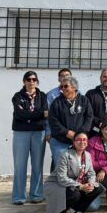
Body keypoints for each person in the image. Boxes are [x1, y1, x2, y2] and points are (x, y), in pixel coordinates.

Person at [44, 132, 103, 213]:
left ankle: (75, 209)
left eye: (84, 140)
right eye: (79, 139)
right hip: (58, 184)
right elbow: (62, 178)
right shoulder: (65, 155)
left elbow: (91, 173)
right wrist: (80, 186)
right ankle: (56, 212)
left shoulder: (87, 155)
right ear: (74, 142)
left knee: (97, 187)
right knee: (75, 194)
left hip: (75, 184)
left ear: (87, 142)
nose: (82, 142)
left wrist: (90, 184)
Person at [11, 70, 48, 205]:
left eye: (34, 79)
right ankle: (19, 197)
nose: (31, 82)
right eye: (28, 79)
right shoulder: (17, 96)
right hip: (21, 133)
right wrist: (38, 114)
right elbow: (19, 114)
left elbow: (45, 112)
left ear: (37, 81)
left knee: (37, 165)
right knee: (20, 165)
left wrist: (28, 115)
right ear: (24, 81)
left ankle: (36, 195)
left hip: (38, 133)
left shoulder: (43, 96)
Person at [48, 76, 94, 171]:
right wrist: (67, 132)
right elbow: (53, 121)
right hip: (60, 142)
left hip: (80, 142)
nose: (62, 89)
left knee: (79, 170)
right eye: (61, 87)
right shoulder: (57, 102)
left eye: (65, 86)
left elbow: (89, 117)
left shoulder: (84, 100)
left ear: (74, 87)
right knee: (61, 170)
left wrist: (80, 134)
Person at [44, 68, 72, 144]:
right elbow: (47, 114)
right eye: (62, 76)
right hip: (56, 134)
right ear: (59, 79)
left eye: (67, 75)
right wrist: (48, 131)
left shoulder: (78, 93)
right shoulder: (51, 94)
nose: (65, 77)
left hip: (73, 134)